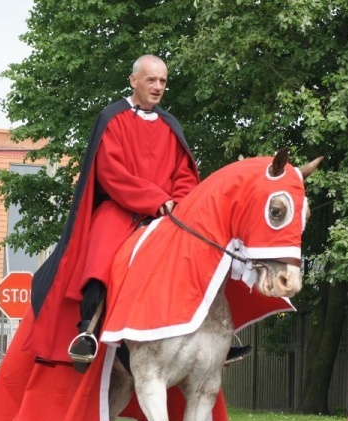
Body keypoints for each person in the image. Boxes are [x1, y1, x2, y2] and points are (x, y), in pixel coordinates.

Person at [24, 54, 247, 368]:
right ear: (133, 81)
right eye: (151, 80)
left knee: (204, 256)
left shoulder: (170, 125)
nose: (157, 87)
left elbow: (185, 174)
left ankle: (215, 336)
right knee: (100, 258)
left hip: (168, 214)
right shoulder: (112, 118)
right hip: (120, 208)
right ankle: (87, 332)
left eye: (163, 81)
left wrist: (179, 204)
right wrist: (155, 199)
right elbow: (111, 173)